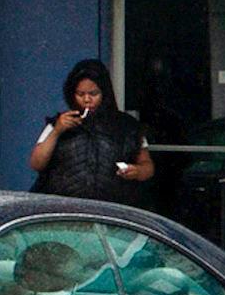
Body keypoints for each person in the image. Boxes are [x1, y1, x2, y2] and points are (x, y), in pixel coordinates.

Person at [28, 59, 154, 203]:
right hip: (65, 207)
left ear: (105, 93)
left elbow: (148, 167)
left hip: (112, 208)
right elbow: (36, 164)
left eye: (94, 93)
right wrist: (57, 131)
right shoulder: (60, 123)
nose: (87, 100)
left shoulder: (128, 126)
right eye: (80, 94)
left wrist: (137, 171)